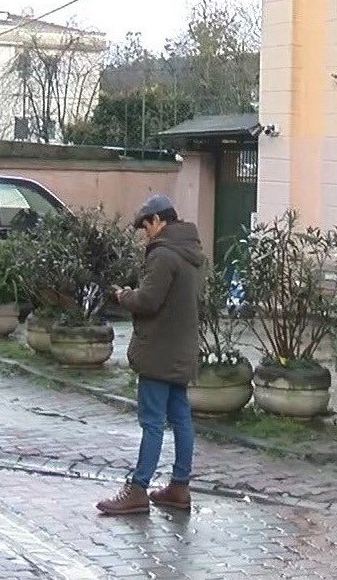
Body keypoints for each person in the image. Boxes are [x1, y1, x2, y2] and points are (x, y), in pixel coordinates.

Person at [96, 194, 205, 516]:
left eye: (146, 228)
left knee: (152, 422)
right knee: (181, 419)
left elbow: (148, 301)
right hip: (182, 349)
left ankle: (138, 488)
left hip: (159, 352)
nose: (146, 234)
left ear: (158, 221)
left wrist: (123, 295)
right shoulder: (191, 252)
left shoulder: (163, 256)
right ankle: (179, 487)